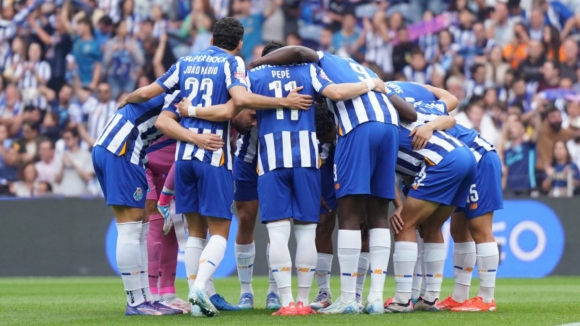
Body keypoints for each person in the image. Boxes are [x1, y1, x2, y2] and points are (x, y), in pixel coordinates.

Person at [132, 17, 313, 317]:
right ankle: (199, 289)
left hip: (184, 158)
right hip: (214, 155)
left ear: (211, 39)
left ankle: (197, 299)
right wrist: (285, 101)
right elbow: (238, 101)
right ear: (239, 44)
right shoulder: (233, 64)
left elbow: (150, 95)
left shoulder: (185, 64)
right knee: (220, 231)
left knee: (194, 234)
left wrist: (132, 99)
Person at [248, 45, 417, 315]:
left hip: (357, 127)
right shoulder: (368, 73)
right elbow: (410, 114)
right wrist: (372, 85)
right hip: (390, 127)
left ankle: (348, 298)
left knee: (349, 213)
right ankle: (374, 298)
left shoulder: (325, 62)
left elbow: (300, 52)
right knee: (377, 215)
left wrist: (256, 63)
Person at [92, 92, 184, 316]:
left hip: (126, 147)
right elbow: (148, 97)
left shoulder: (178, 85)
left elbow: (145, 94)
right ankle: (135, 301)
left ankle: (148, 298)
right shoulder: (185, 88)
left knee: (141, 228)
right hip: (123, 147)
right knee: (130, 229)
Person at [54, 128, 94, 197]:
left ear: (76, 138)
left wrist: (72, 163)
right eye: (64, 139)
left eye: (68, 138)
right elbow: (56, 180)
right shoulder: (61, 156)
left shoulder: (86, 155)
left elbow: (88, 178)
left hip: (81, 195)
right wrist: (63, 165)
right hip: (64, 195)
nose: (66, 141)